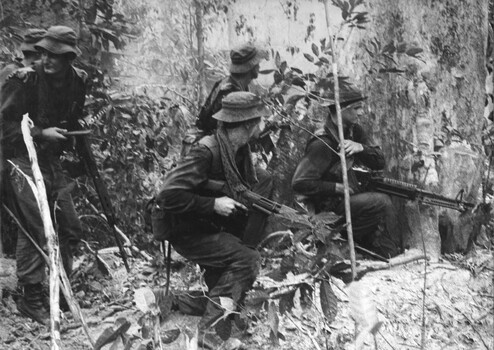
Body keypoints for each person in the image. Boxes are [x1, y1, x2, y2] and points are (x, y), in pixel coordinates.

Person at [156, 92, 272, 348]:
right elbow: (168, 196)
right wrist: (212, 205)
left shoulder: (238, 151)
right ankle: (210, 335)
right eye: (260, 121)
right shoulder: (206, 151)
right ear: (248, 125)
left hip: (205, 226)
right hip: (186, 230)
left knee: (232, 288)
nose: (264, 125)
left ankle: (172, 300)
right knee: (247, 260)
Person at [0, 25, 87, 325]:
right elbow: (5, 128)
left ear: (70, 59)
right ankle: (31, 295)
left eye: (55, 55)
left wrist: (71, 133)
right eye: (44, 53)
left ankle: (62, 288)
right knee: (35, 224)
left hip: (51, 161)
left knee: (70, 226)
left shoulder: (77, 81)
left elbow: (74, 115)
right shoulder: (24, 81)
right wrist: (40, 133)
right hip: (20, 159)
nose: (46, 59)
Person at [291, 83, 400, 258]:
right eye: (357, 108)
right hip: (327, 211)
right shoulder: (323, 143)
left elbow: (379, 162)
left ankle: (381, 250)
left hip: (346, 203)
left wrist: (361, 148)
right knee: (381, 202)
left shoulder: (354, 131)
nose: (361, 113)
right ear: (341, 110)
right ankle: (332, 240)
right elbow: (300, 183)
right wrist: (336, 187)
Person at [195, 43, 265, 134]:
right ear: (251, 67)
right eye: (257, 63)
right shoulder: (232, 94)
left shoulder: (230, 83)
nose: (259, 67)